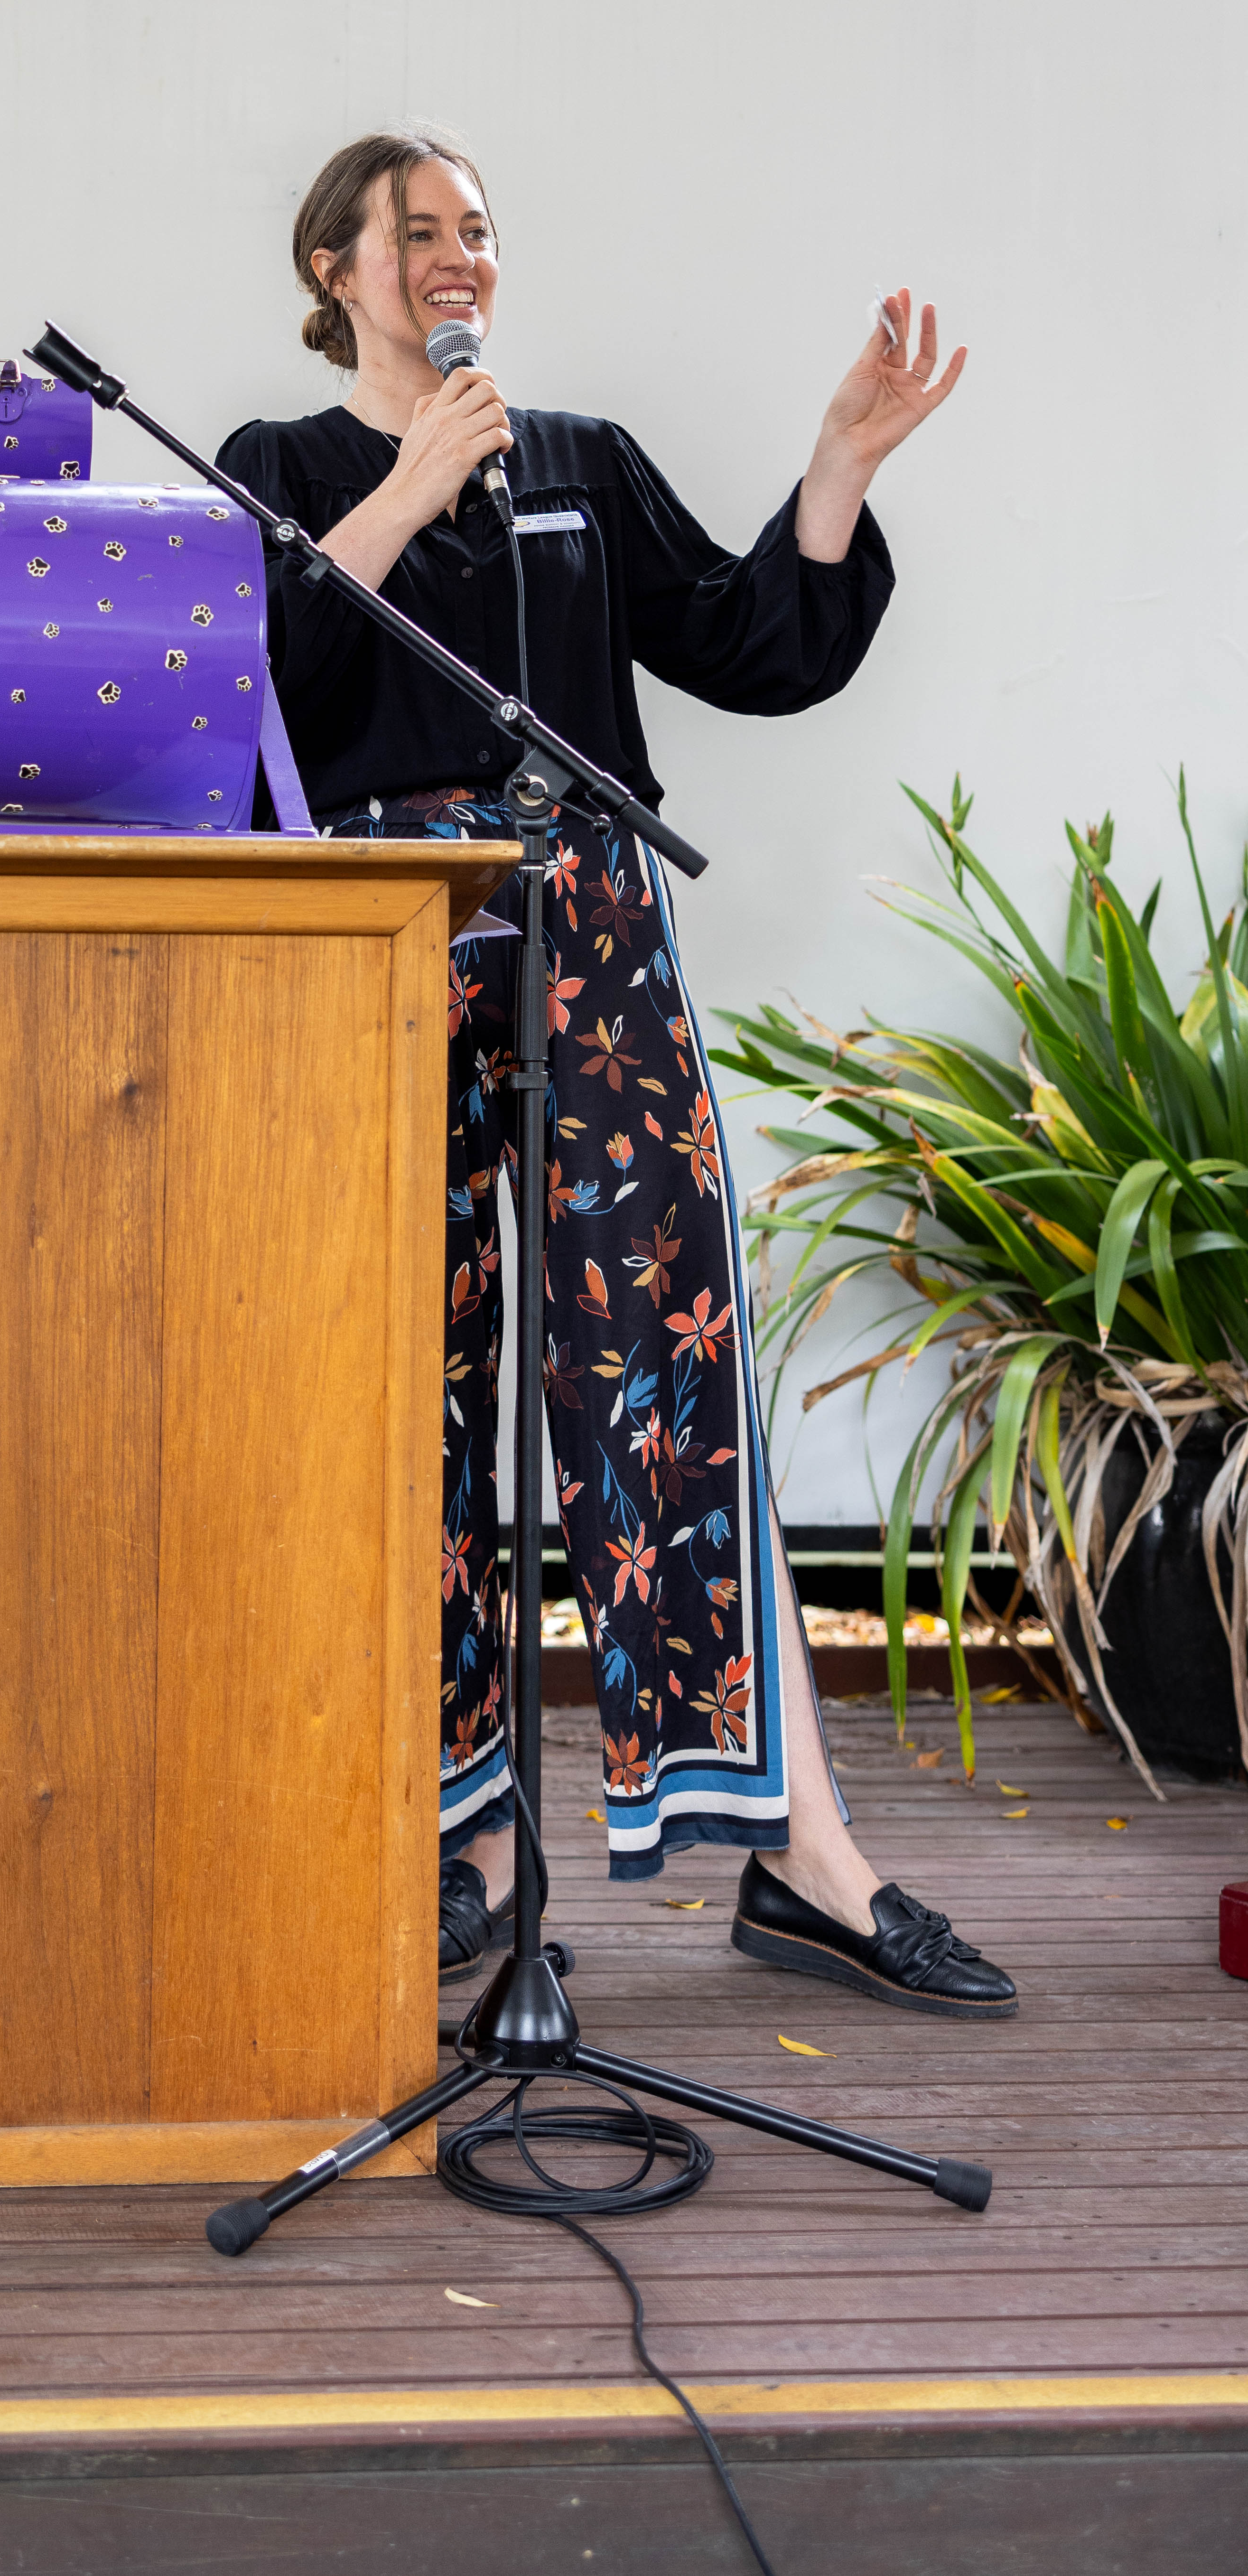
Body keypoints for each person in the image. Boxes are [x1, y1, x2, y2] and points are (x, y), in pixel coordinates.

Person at [220, 130, 1016, 2017]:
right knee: (395, 1367)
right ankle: (469, 1848)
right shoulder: (278, 466)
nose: (454, 254)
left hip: (586, 910)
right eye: (416, 230)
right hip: (375, 932)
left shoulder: (573, 456)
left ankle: (802, 1852)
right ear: (333, 264)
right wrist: (408, 488)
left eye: (475, 228)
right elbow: (247, 683)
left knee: (664, 1344)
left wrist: (833, 470)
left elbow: (750, 646)